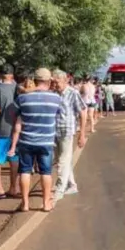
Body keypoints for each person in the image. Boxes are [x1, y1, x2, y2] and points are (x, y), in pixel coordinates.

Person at [8, 68, 61, 212]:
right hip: (46, 142)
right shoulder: (56, 98)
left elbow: (13, 115)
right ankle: (46, 203)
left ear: (35, 80)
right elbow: (59, 115)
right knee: (46, 172)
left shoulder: (22, 98)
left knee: (25, 171)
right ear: (49, 81)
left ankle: (25, 204)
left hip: (26, 141)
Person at [52, 69, 87, 202]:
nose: (56, 85)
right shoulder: (54, 94)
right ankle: (72, 185)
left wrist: (82, 133)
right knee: (61, 161)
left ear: (65, 80)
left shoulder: (73, 93)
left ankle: (60, 189)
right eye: (54, 82)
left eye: (58, 82)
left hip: (67, 131)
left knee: (63, 161)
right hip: (55, 131)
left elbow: (83, 112)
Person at [0, 64, 20, 200]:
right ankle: (14, 187)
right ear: (12, 75)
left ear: (0, 75)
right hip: (16, 129)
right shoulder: (18, 88)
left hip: (1, 128)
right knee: (14, 158)